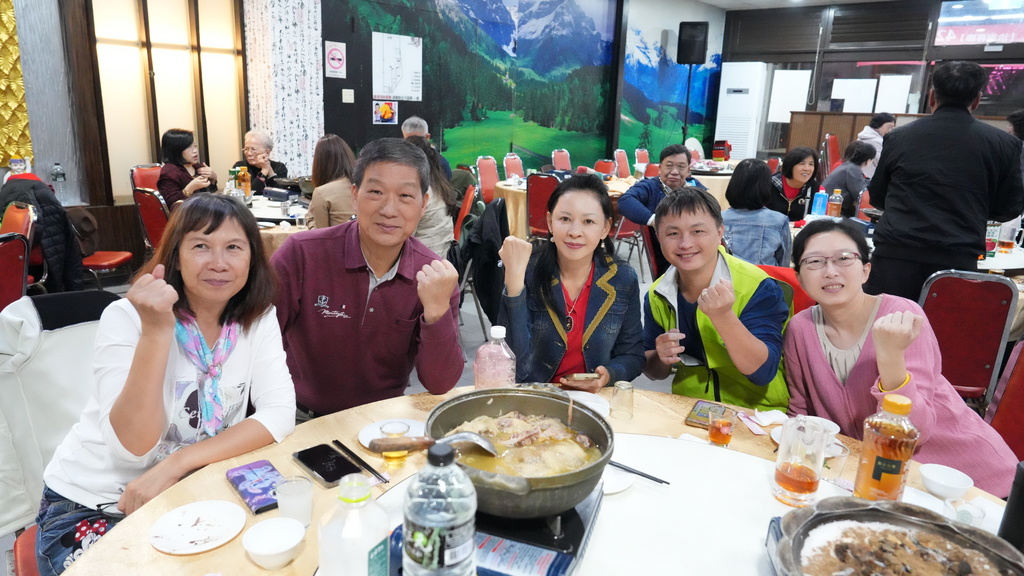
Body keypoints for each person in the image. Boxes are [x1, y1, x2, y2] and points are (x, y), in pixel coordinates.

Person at [35, 194, 296, 575]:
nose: (219, 263)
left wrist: (177, 464)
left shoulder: (256, 318)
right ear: (175, 257)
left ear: (252, 258)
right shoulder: (127, 317)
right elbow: (133, 449)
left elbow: (279, 414)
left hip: (189, 493)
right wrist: (156, 332)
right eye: (201, 246)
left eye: (234, 248)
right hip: (96, 504)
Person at [784, 218, 1017, 498]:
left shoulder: (902, 316)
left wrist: (891, 355)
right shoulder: (800, 328)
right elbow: (801, 413)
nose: (831, 271)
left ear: (865, 270)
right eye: (814, 262)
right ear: (799, 277)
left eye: (844, 258)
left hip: (968, 482)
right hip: (880, 482)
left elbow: (916, 432)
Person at [271, 138, 463, 420]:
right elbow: (255, 343)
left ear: (423, 204)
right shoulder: (302, 254)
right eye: (376, 192)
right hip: (299, 417)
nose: (389, 210)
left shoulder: (433, 276)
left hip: (382, 421)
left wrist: (436, 312)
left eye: (405, 196)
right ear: (354, 194)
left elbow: (440, 383)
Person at [865, 60, 1024, 300]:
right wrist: (973, 208)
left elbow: (878, 197)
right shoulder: (1004, 144)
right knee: (944, 324)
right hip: (957, 258)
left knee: (886, 320)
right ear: (977, 100)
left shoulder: (898, 137)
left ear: (931, 96)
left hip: (895, 256)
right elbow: (1008, 209)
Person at [643, 187, 790, 411]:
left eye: (698, 231)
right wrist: (659, 357)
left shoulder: (757, 286)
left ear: (720, 232)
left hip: (756, 412)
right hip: (690, 408)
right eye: (673, 233)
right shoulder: (657, 294)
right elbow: (654, 372)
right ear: (658, 237)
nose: (685, 243)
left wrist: (723, 316)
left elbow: (762, 372)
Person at [497, 174, 644, 392]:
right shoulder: (526, 272)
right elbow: (512, 365)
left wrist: (608, 375)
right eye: (565, 219)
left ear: (605, 228)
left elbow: (632, 355)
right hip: (534, 397)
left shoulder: (622, 279)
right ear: (550, 222)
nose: (574, 232)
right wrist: (514, 283)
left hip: (593, 400)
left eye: (588, 222)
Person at [618, 144, 707, 276]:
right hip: (668, 259)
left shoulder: (696, 188)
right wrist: (655, 220)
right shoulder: (650, 187)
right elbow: (625, 201)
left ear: (688, 170)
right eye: (669, 166)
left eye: (681, 167)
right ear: (660, 168)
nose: (674, 171)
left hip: (696, 252)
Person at [721, 158, 791, 267]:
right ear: (766, 186)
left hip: (725, 276)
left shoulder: (718, 219)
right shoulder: (779, 221)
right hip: (766, 277)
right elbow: (784, 264)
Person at [405, 135, 457, 258]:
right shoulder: (439, 184)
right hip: (443, 256)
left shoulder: (418, 191)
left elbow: (401, 238)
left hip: (423, 261)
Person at [305, 134, 357, 229]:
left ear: (320, 163)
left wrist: (309, 218)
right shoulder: (364, 185)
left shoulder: (322, 193)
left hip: (340, 239)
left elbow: (321, 235)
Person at [156, 128, 218, 207]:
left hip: (202, 209)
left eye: (195, 146)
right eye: (189, 147)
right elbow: (171, 204)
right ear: (176, 150)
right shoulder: (170, 171)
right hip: (186, 213)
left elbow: (209, 193)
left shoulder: (196, 166)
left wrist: (213, 178)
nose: (195, 151)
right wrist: (190, 188)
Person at [820, 141, 875, 218]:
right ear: (868, 160)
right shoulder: (853, 169)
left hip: (830, 209)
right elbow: (862, 194)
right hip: (831, 211)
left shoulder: (847, 166)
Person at [767, 147, 823, 221]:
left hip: (802, 228)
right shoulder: (768, 185)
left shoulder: (818, 191)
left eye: (811, 164)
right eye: (802, 163)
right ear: (790, 165)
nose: (807, 168)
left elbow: (821, 220)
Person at [233, 130, 288, 195]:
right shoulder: (240, 167)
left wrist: (269, 170)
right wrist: (264, 171)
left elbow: (281, 194)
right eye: (246, 149)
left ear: (267, 152)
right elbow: (249, 194)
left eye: (253, 149)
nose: (249, 153)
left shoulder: (279, 167)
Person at [401, 116, 452, 180]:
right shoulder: (442, 162)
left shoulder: (397, 161)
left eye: (417, 140)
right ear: (427, 137)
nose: (414, 144)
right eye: (410, 140)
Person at [856, 112, 895, 178]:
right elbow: (881, 162)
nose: (890, 130)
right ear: (879, 124)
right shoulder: (874, 140)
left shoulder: (865, 135)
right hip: (868, 176)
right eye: (889, 127)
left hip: (860, 174)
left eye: (892, 128)